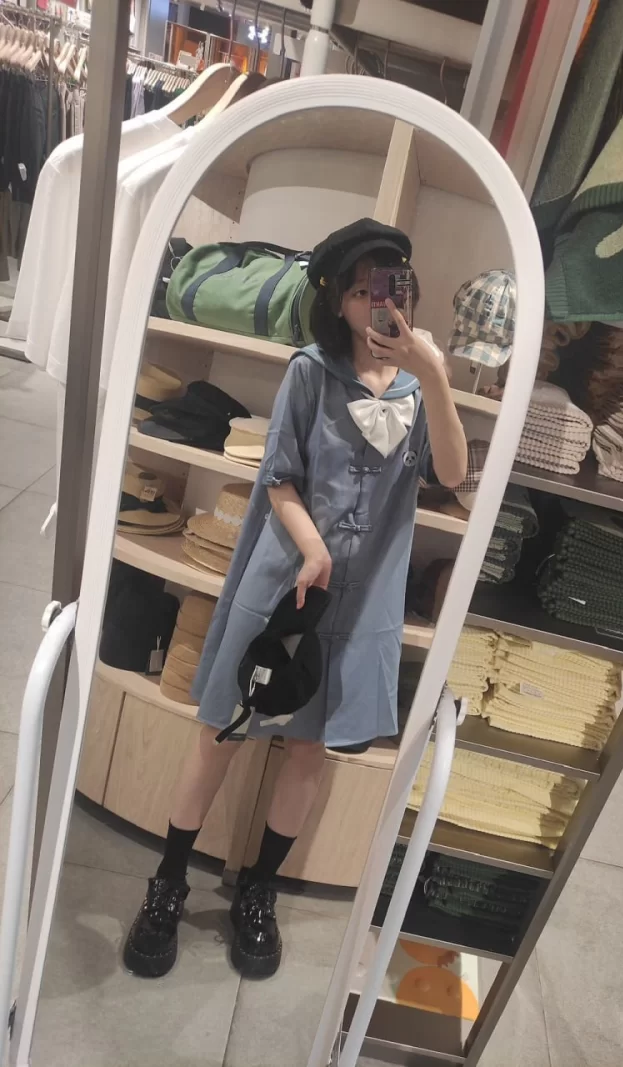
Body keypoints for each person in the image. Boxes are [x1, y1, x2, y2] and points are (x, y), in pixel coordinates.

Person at [124, 219, 468, 980]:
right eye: (364, 289)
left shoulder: (420, 388)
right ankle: (169, 882)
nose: (382, 301)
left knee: (310, 746)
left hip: (364, 600)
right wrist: (312, 545)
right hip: (287, 579)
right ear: (338, 300)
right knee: (223, 728)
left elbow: (450, 473)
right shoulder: (310, 372)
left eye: (393, 285)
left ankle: (259, 889)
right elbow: (277, 476)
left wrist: (435, 373)